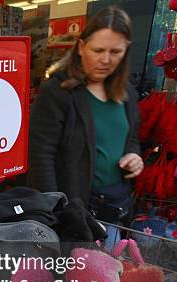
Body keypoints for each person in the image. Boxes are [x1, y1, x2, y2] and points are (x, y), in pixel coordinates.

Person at [27, 6, 143, 225]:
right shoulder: (58, 91)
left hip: (117, 204)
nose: (106, 60)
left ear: (126, 51)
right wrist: (55, 211)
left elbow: (132, 139)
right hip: (75, 208)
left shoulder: (128, 93)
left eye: (115, 52)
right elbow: (41, 157)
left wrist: (134, 157)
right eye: (98, 50)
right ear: (81, 47)